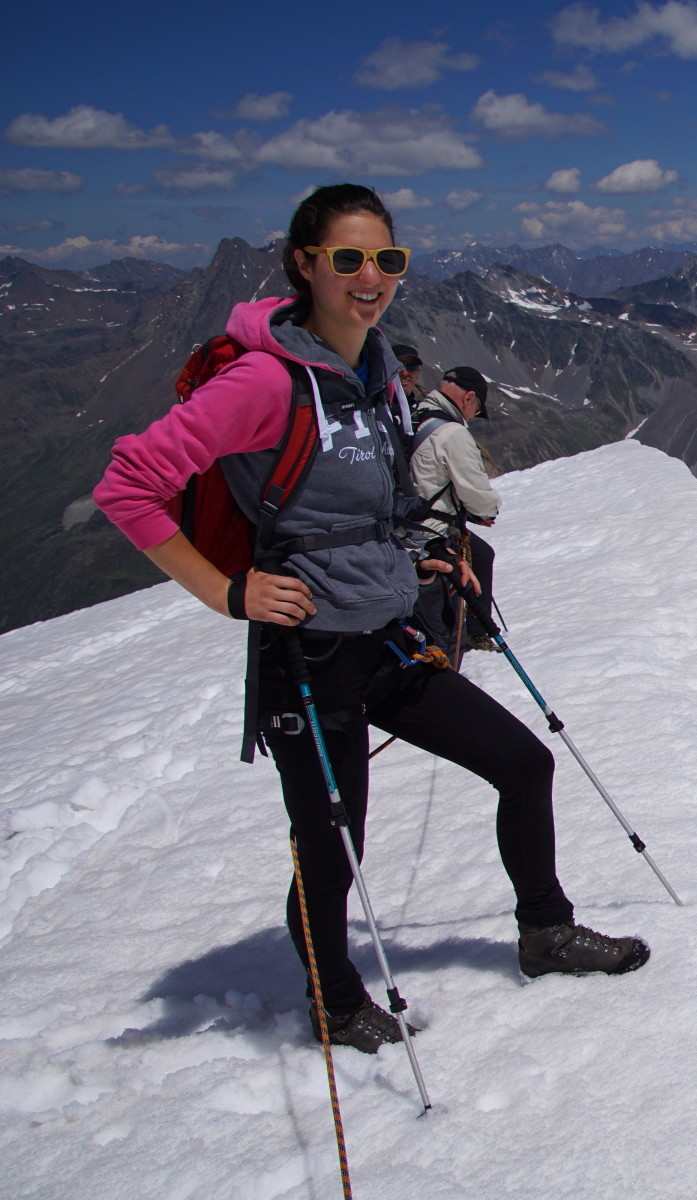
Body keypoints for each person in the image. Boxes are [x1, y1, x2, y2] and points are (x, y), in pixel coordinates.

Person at [94, 183, 648, 1054]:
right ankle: (335, 997)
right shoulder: (263, 381)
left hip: (387, 636)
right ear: (303, 265)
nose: (369, 276)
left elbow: (371, 497)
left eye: (386, 260)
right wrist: (227, 592)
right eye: (347, 258)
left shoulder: (376, 371)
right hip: (307, 657)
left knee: (522, 763)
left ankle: (544, 934)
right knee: (333, 840)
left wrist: (422, 550)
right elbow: (129, 482)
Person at [411, 365, 500, 658]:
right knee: (444, 632)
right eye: (476, 408)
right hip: (432, 534)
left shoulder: (414, 414)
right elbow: (478, 495)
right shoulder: (452, 434)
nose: (473, 415)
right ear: (469, 397)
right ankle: (464, 644)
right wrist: (486, 512)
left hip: (402, 529)